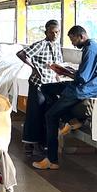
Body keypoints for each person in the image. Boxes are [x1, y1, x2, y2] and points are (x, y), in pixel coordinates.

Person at [33, 25, 97, 171]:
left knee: (50, 116)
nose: (73, 44)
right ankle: (70, 119)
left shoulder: (91, 50)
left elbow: (82, 78)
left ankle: (51, 160)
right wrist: (69, 72)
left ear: (81, 36)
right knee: (45, 87)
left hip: (81, 90)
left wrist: (66, 72)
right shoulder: (94, 47)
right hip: (81, 86)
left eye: (73, 40)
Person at [17, 20, 63, 159]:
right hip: (38, 84)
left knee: (46, 114)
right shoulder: (41, 45)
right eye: (52, 32)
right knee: (34, 114)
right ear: (46, 32)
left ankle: (41, 144)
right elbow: (21, 54)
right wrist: (34, 68)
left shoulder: (57, 46)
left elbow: (57, 64)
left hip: (50, 85)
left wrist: (58, 76)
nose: (55, 34)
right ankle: (30, 145)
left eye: (57, 32)